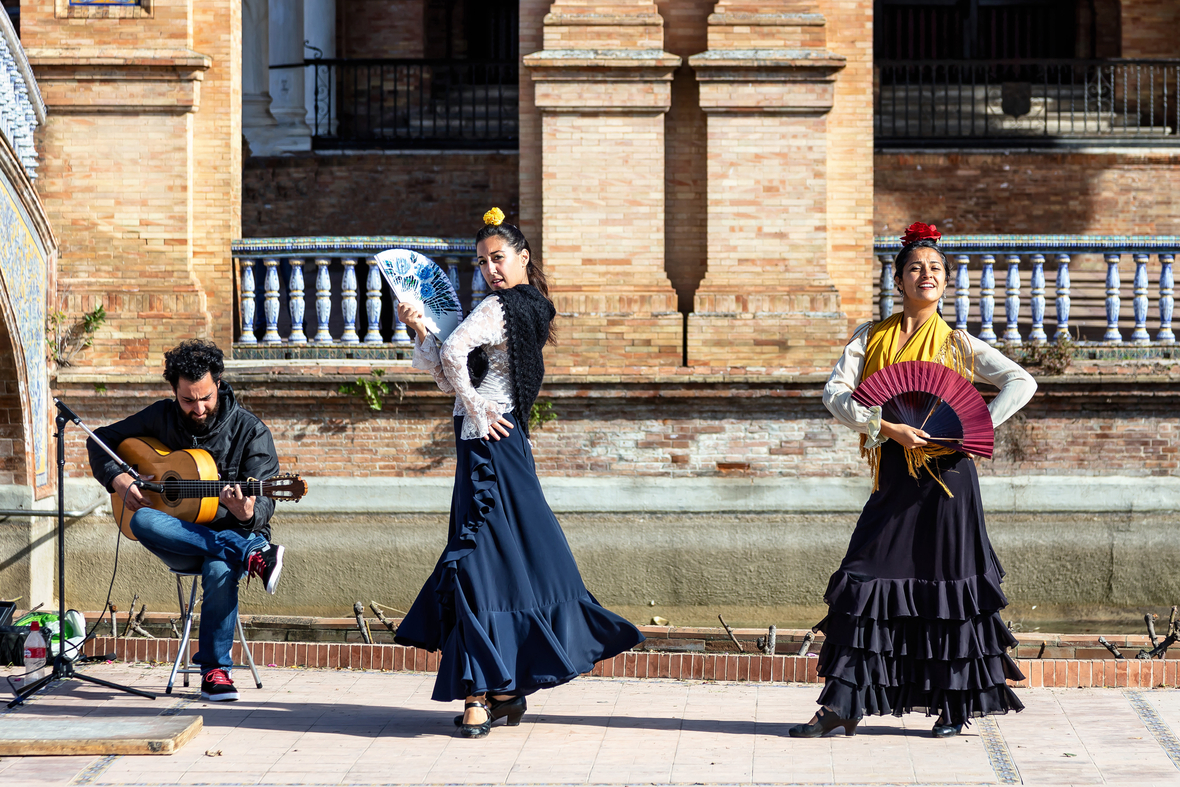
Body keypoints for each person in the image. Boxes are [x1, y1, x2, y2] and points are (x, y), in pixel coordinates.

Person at [394, 207, 643, 738]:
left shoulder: (506, 304)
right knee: (506, 563)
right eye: (483, 262)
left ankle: (484, 693)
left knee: (487, 564)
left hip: (492, 449)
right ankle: (499, 690)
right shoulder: (527, 307)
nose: (491, 269)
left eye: (499, 257)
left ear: (523, 257)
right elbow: (446, 372)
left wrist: (481, 411)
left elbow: (458, 355)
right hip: (495, 449)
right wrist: (420, 332)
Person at [791, 222, 1037, 739]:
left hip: (950, 480)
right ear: (899, 280)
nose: (925, 275)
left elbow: (1022, 380)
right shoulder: (871, 337)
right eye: (915, 268)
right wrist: (884, 426)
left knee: (949, 589)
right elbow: (835, 394)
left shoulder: (959, 344)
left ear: (945, 282)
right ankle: (843, 704)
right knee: (862, 579)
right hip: (895, 474)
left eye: (935, 270)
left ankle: (954, 705)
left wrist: (974, 427)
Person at [88, 339, 285, 702]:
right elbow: (101, 439)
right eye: (188, 400)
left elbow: (266, 502)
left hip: (234, 530)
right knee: (142, 521)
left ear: (220, 383)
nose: (198, 408)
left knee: (219, 569)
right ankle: (251, 554)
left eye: (206, 397)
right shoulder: (161, 416)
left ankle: (214, 671)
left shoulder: (250, 431)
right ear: (174, 391)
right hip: (180, 538)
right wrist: (117, 477)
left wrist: (246, 512)